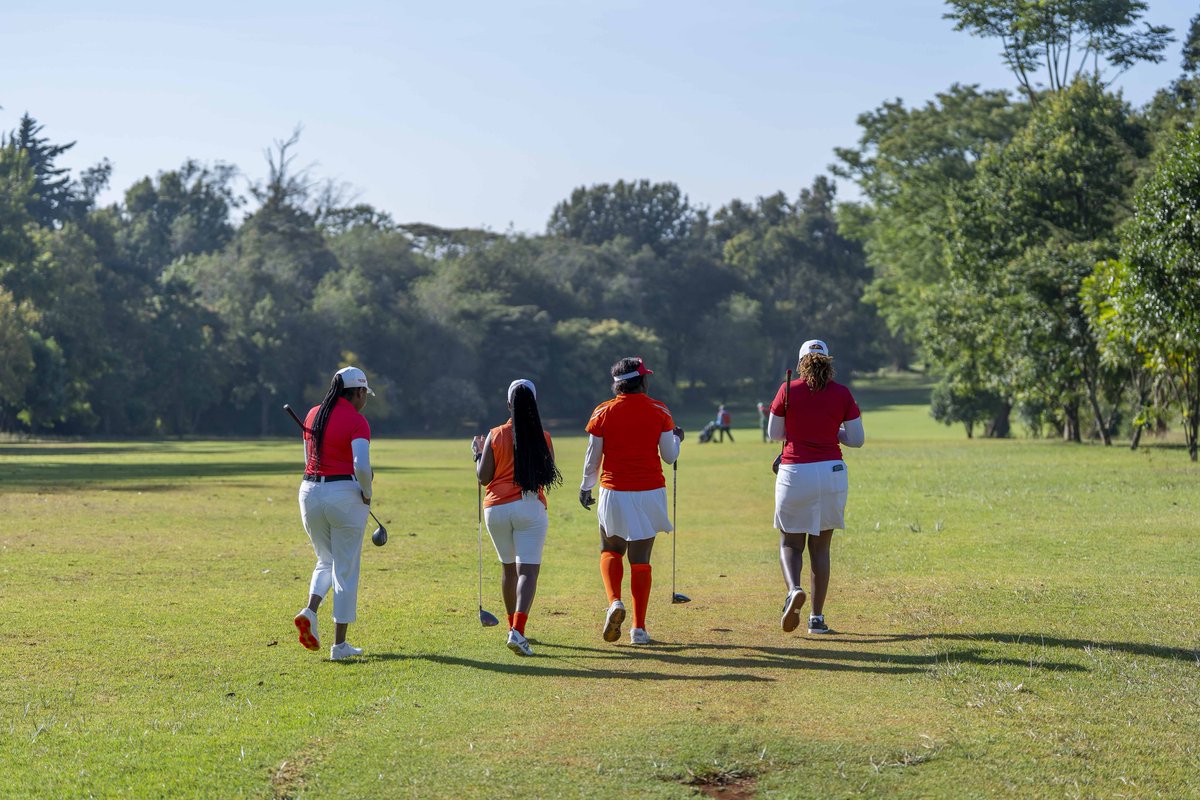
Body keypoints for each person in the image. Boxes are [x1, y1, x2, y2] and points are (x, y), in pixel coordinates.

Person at [579, 357, 684, 645]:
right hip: (650, 491)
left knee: (610, 548)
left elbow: (593, 457)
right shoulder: (660, 410)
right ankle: (638, 629)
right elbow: (670, 456)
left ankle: (614, 601)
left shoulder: (602, 411)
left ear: (617, 385)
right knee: (641, 558)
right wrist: (677, 439)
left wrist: (586, 487)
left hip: (614, 490)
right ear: (643, 381)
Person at [768, 340, 864, 635]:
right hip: (832, 473)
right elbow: (857, 439)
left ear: (801, 363)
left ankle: (793, 589)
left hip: (795, 472)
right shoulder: (842, 393)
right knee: (820, 548)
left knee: (790, 543)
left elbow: (774, 434)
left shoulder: (788, 389)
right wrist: (831, 428)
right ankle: (817, 619)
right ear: (827, 361)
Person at [471, 379, 562, 657]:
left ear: (509, 404)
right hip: (529, 507)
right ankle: (518, 631)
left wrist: (477, 452)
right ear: (534, 403)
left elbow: (483, 477)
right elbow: (548, 477)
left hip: (495, 510)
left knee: (508, 569)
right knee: (528, 572)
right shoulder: (543, 437)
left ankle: (514, 628)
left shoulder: (495, 434)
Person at [293, 366, 376, 661]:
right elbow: (362, 466)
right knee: (346, 569)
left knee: (325, 560)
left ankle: (310, 610)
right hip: (343, 495)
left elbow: (307, 459)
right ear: (357, 392)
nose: (365, 398)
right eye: (364, 393)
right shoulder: (357, 421)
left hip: (309, 492)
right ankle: (340, 645)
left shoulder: (314, 413)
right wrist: (366, 492)